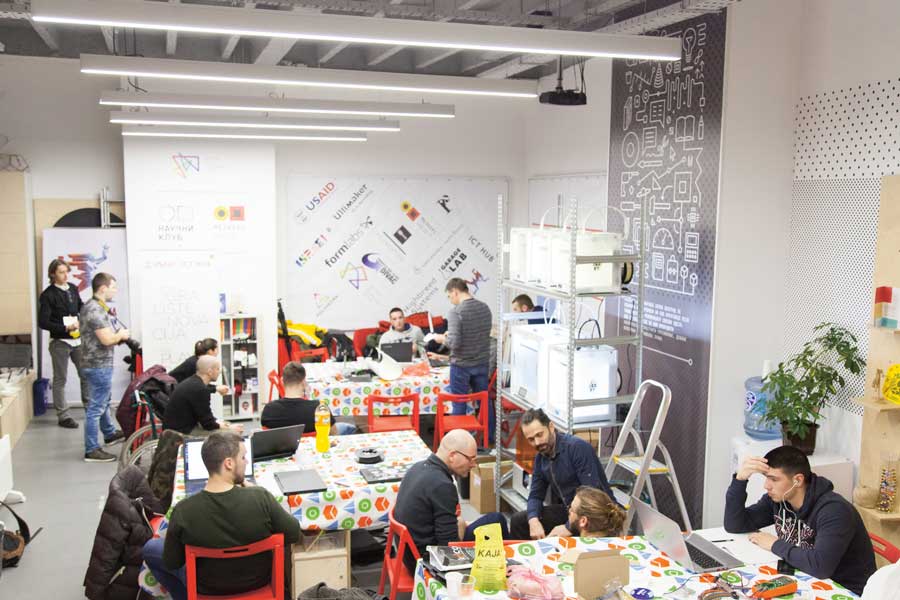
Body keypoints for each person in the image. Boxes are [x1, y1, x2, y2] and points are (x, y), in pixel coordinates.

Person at [143, 432, 301, 600]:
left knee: (150, 548)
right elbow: (294, 533)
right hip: (259, 582)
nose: (247, 462)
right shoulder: (260, 498)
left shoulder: (183, 510)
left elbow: (172, 562)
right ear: (229, 463)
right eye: (243, 457)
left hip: (207, 588)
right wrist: (254, 491)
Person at [724, 445, 876, 596]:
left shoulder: (834, 511)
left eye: (774, 479)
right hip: (805, 579)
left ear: (798, 480)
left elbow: (820, 566)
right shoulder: (780, 500)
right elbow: (735, 524)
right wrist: (740, 479)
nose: (766, 486)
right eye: (766, 478)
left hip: (846, 591)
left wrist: (774, 544)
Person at [393, 429, 508, 572]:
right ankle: (506, 570)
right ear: (453, 455)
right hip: (428, 561)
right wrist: (460, 526)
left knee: (489, 520)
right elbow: (448, 547)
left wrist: (459, 524)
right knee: (497, 521)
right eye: (470, 459)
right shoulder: (442, 485)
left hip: (408, 555)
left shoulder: (417, 468)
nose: (473, 465)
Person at [509, 409, 617, 540]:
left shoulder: (577, 448)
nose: (537, 443)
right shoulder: (541, 458)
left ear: (551, 427)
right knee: (519, 521)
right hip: (571, 512)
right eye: (531, 439)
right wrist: (533, 520)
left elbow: (591, 496)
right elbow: (535, 495)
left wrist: (568, 527)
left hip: (595, 515)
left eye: (539, 435)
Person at [431, 278, 493, 433]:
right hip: (482, 363)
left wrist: (441, 338)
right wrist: (452, 334)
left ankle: (459, 440)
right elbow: (479, 334)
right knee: (485, 402)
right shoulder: (485, 308)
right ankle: (490, 438)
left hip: (461, 366)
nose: (450, 300)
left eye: (449, 296)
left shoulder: (456, 312)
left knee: (459, 402)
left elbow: (454, 343)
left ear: (455, 291)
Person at [79, 272, 126, 462]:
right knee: (96, 407)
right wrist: (121, 335)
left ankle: (109, 433)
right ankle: (91, 449)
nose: (115, 291)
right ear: (103, 288)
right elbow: (106, 339)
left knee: (103, 401)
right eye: (113, 287)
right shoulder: (95, 310)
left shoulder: (92, 306)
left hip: (95, 363)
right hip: (98, 364)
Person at [38, 258, 89, 429]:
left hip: (77, 340)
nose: (65, 275)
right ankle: (63, 416)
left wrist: (85, 317)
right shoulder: (47, 295)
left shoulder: (73, 288)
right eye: (61, 272)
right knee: (60, 379)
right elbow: (43, 322)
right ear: (53, 274)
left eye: (66, 271)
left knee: (85, 374)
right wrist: (64, 328)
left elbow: (80, 307)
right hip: (60, 342)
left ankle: (90, 407)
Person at [260, 362, 356, 434]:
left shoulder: (269, 410)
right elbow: (333, 434)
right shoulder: (320, 408)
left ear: (282, 381)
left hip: (284, 450)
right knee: (349, 427)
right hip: (316, 450)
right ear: (303, 382)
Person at [162, 356, 242, 436]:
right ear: (210, 372)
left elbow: (204, 417)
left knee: (226, 425)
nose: (219, 372)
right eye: (217, 369)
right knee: (231, 433)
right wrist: (229, 428)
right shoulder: (200, 389)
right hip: (180, 433)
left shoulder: (193, 382)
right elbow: (208, 425)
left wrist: (223, 425)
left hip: (176, 429)